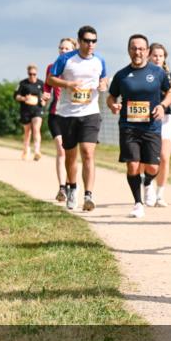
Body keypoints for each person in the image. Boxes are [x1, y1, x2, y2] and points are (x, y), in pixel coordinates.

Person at [107, 35, 171, 218]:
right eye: (134, 48)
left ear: (147, 51)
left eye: (141, 48)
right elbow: (111, 97)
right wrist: (113, 105)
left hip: (151, 126)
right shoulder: (121, 75)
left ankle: (147, 182)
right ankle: (137, 203)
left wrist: (163, 105)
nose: (137, 52)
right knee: (133, 166)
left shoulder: (158, 73)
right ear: (129, 50)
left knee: (153, 167)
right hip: (129, 127)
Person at [46, 26, 107, 211]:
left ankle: (89, 195)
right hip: (67, 114)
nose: (91, 44)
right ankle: (72, 188)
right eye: (87, 41)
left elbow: (102, 79)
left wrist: (103, 85)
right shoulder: (66, 59)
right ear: (79, 41)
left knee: (88, 153)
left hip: (90, 113)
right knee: (71, 156)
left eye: (94, 41)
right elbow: (50, 79)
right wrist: (68, 84)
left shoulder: (99, 61)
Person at [44, 38, 77, 201]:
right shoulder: (51, 68)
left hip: (72, 114)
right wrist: (45, 95)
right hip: (55, 114)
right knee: (60, 149)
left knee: (71, 152)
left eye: (67, 49)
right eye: (61, 48)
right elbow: (47, 86)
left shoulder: (77, 69)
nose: (63, 51)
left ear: (73, 50)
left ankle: (72, 184)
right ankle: (62, 187)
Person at [149, 43, 171, 207]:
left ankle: (160, 194)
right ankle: (147, 187)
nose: (157, 58)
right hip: (147, 120)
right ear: (149, 56)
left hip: (166, 119)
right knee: (148, 159)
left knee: (164, 157)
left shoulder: (169, 76)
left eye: (161, 56)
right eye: (155, 55)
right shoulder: (144, 74)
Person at [15, 65, 45, 161]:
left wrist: (44, 101)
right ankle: (25, 150)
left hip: (37, 109)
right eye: (30, 74)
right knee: (27, 132)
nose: (32, 76)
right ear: (28, 73)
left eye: (34, 74)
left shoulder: (41, 83)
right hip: (25, 110)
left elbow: (46, 96)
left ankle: (37, 151)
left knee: (36, 129)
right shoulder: (23, 83)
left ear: (37, 74)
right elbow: (16, 96)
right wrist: (24, 98)